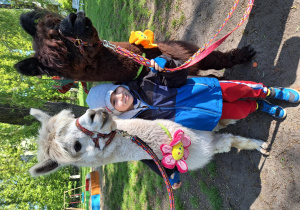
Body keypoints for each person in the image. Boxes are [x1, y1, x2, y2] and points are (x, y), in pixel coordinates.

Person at [86, 55, 300, 189]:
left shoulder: (146, 81)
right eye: (115, 102)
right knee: (240, 111)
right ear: (116, 111)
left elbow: (178, 74)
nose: (121, 98)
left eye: (116, 92)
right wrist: (170, 173)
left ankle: (271, 93)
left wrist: (166, 65)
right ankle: (259, 107)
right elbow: (147, 153)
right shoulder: (137, 124)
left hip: (205, 90)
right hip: (202, 117)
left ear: (119, 86)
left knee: (242, 89)